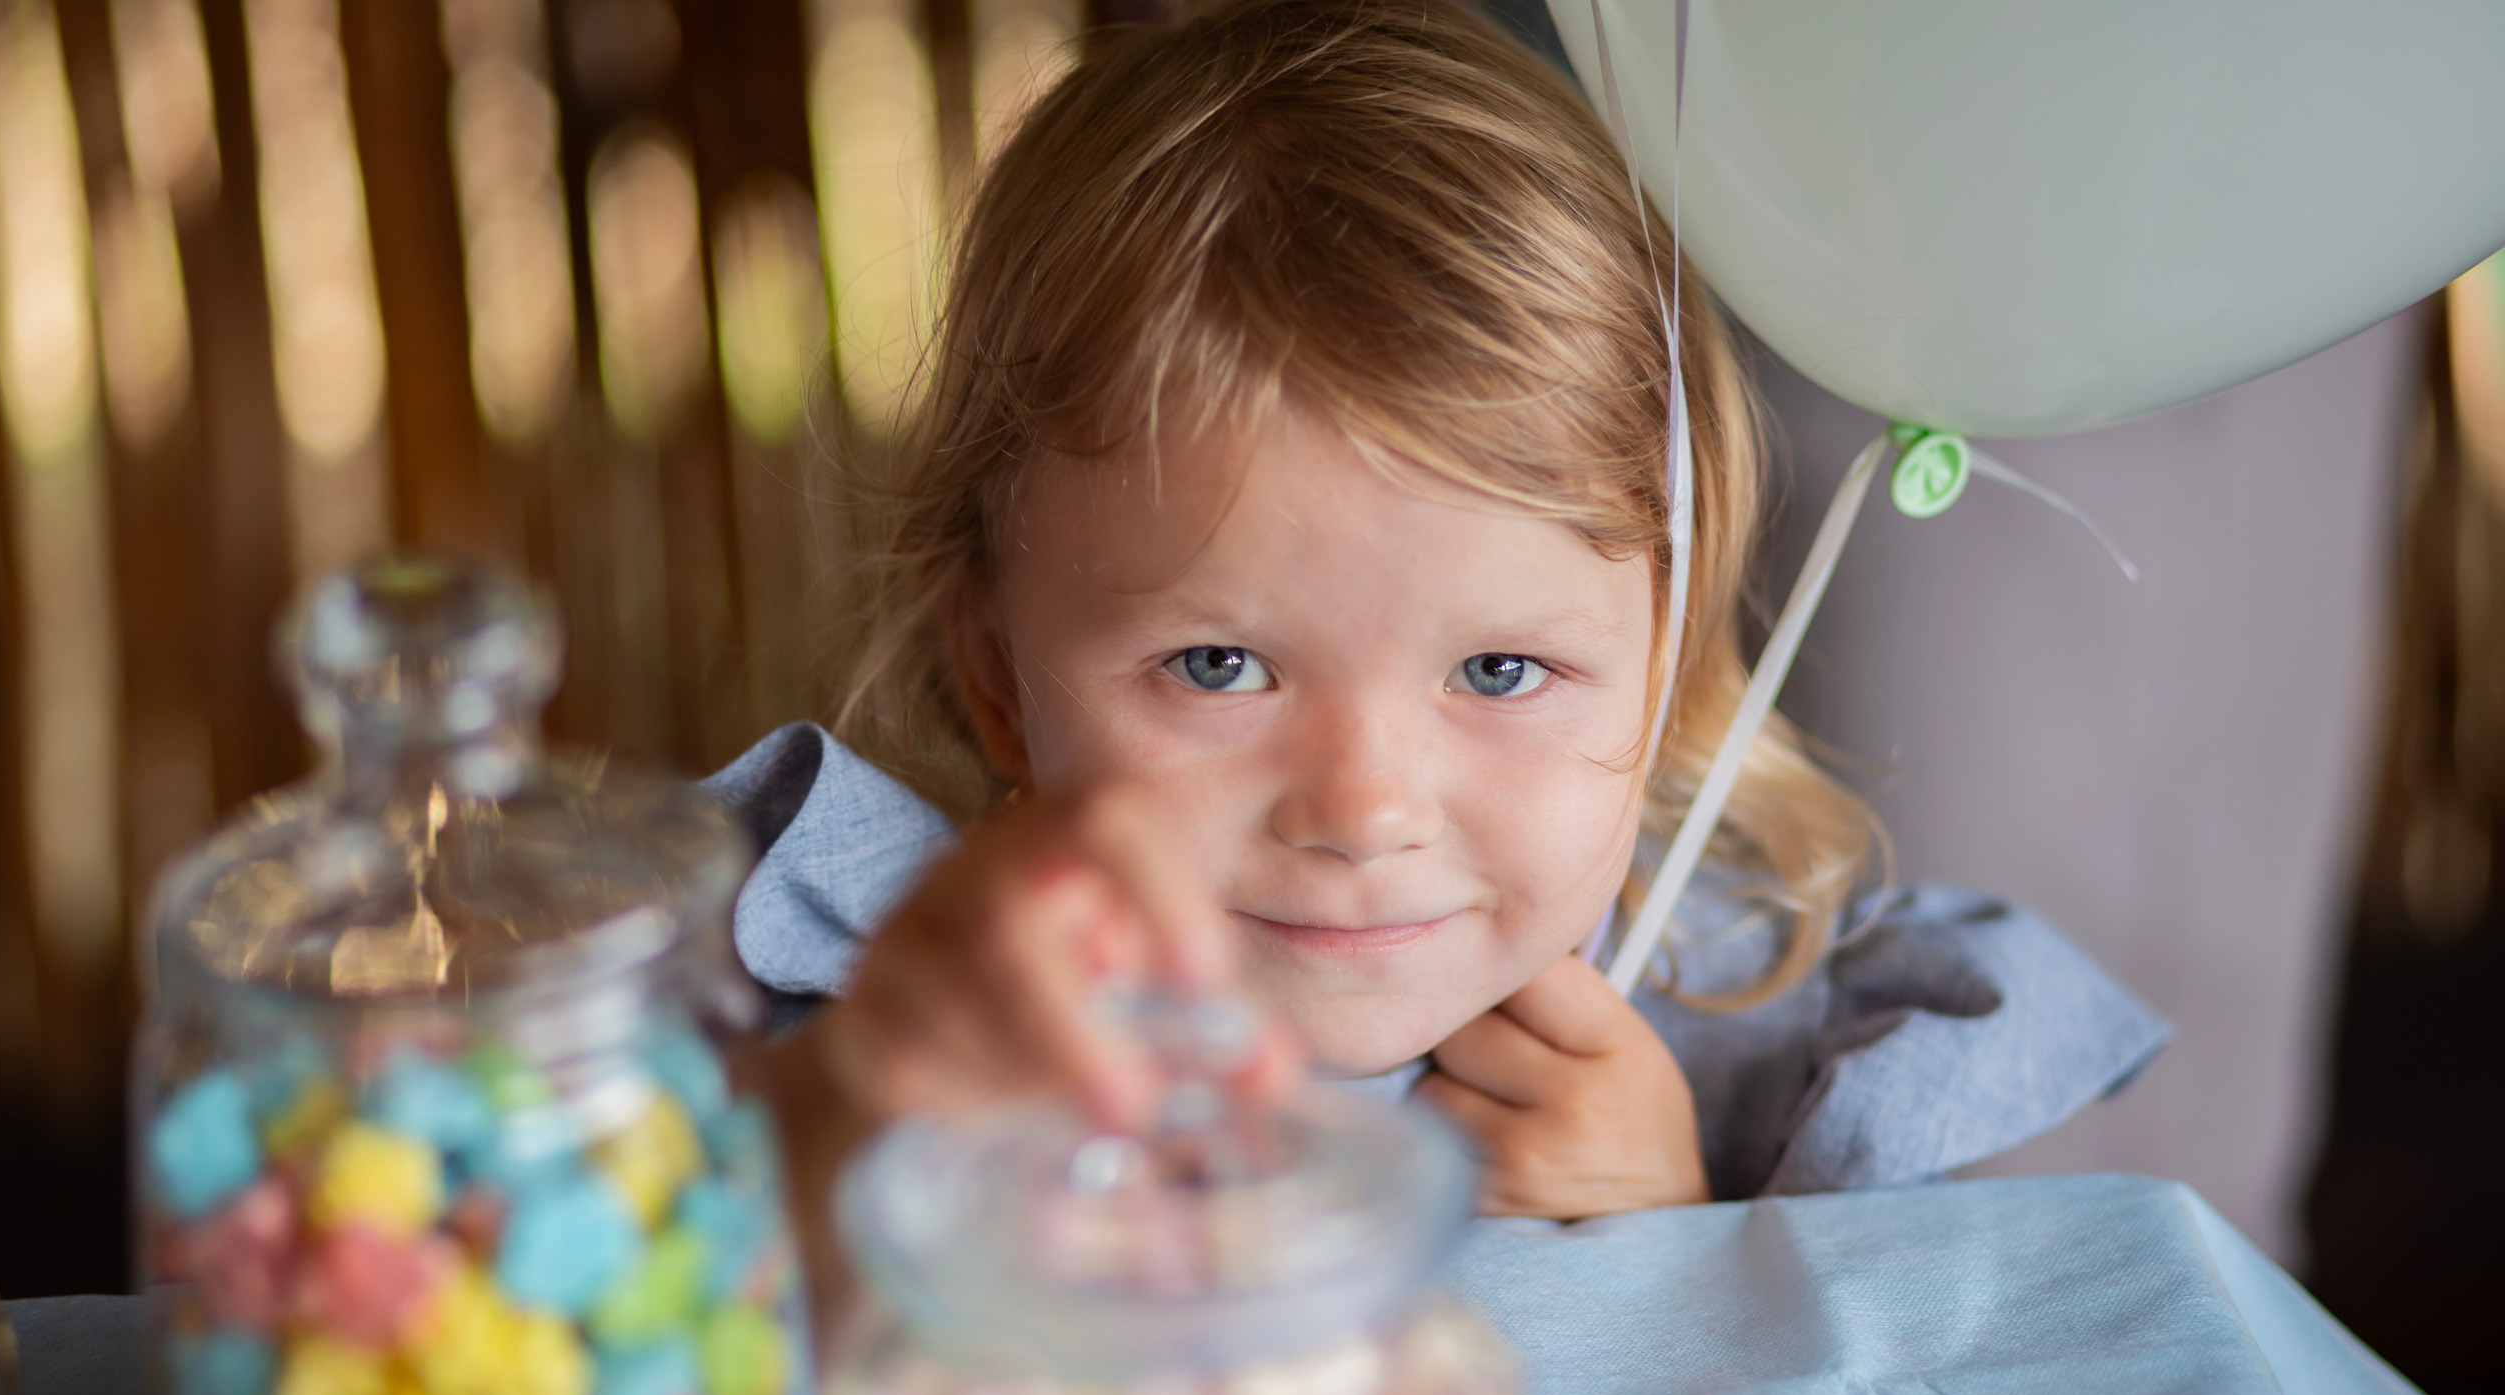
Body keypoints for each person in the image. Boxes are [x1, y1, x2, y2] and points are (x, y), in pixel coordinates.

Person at [712, 0, 2167, 1261]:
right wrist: (882, 1117)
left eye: (1500, 669)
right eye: (1219, 664)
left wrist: (1685, 1219)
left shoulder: (1743, 1034)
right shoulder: (882, 1009)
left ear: (1662, 671)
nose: (1364, 808)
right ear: (996, 677)